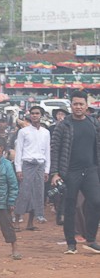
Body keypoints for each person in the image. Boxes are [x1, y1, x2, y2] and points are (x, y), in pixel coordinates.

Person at [49, 90, 100, 255]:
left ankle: (91, 239)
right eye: (75, 104)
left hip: (91, 170)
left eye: (81, 104)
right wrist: (55, 173)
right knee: (70, 207)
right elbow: (55, 150)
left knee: (96, 202)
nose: (78, 107)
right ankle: (71, 243)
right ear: (71, 105)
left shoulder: (93, 123)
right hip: (70, 172)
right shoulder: (63, 125)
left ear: (86, 105)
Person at [13, 105, 50, 231]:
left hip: (40, 165)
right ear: (29, 115)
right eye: (32, 113)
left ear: (41, 115)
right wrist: (18, 169)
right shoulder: (23, 132)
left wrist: (47, 170)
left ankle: (30, 223)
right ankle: (17, 221)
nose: (34, 115)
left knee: (38, 194)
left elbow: (47, 153)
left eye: (37, 113)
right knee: (24, 193)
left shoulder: (46, 132)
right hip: (27, 165)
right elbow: (19, 151)